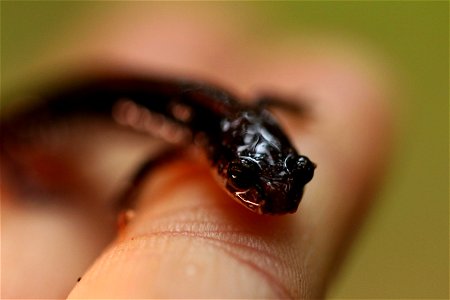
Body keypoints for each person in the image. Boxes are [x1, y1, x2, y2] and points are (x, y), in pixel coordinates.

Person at [1, 5, 392, 298]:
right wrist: (123, 201)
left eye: (300, 170)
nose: (276, 196)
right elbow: (153, 162)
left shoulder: (231, 121)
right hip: (41, 115)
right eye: (242, 177)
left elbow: (263, 102)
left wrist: (294, 107)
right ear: (216, 152)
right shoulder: (210, 127)